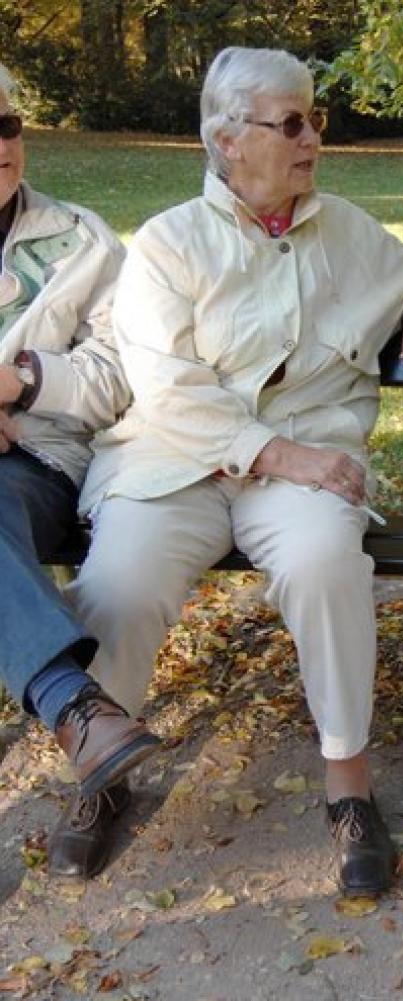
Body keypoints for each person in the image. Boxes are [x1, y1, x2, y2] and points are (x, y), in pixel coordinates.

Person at [63, 47, 403, 894]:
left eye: (313, 118)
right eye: (291, 122)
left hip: (302, 477)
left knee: (326, 563)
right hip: (177, 463)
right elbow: (166, 389)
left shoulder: (343, 229)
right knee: (120, 581)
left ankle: (348, 786)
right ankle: (100, 774)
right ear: (227, 139)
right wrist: (283, 454)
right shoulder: (170, 242)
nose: (312, 136)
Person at [0, 63, 161, 878]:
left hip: (38, 464)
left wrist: (23, 382)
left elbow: (116, 374)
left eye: (7, 124)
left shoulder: (81, 241)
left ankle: (77, 712)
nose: (1, 144)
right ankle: (80, 709)